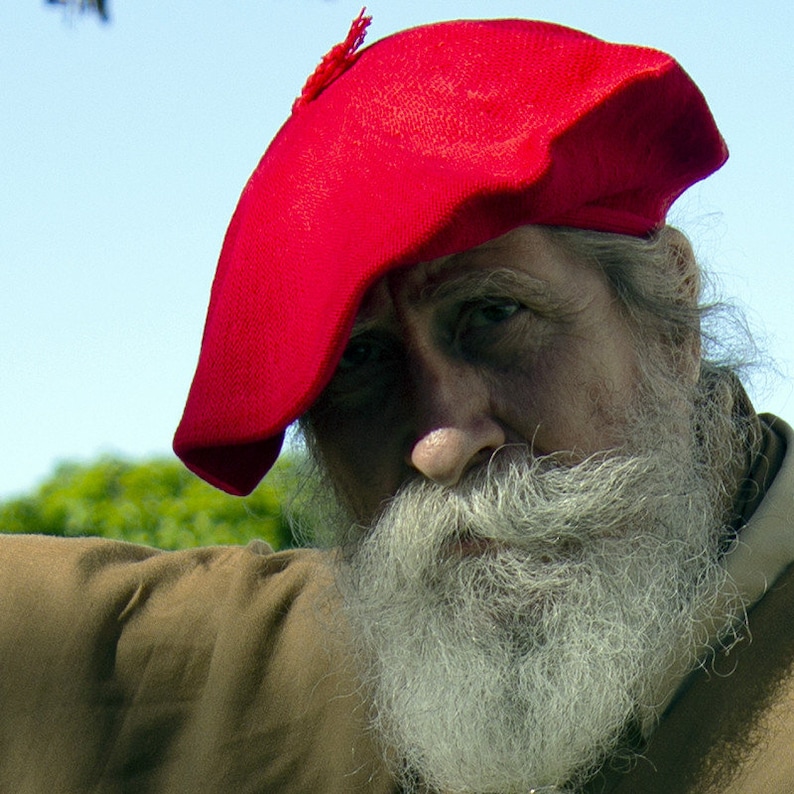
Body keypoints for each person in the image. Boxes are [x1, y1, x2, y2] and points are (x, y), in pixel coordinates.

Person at [1, 13, 792, 794]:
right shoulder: (328, 663)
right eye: (362, 360)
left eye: (492, 314)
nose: (440, 444)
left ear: (674, 317)